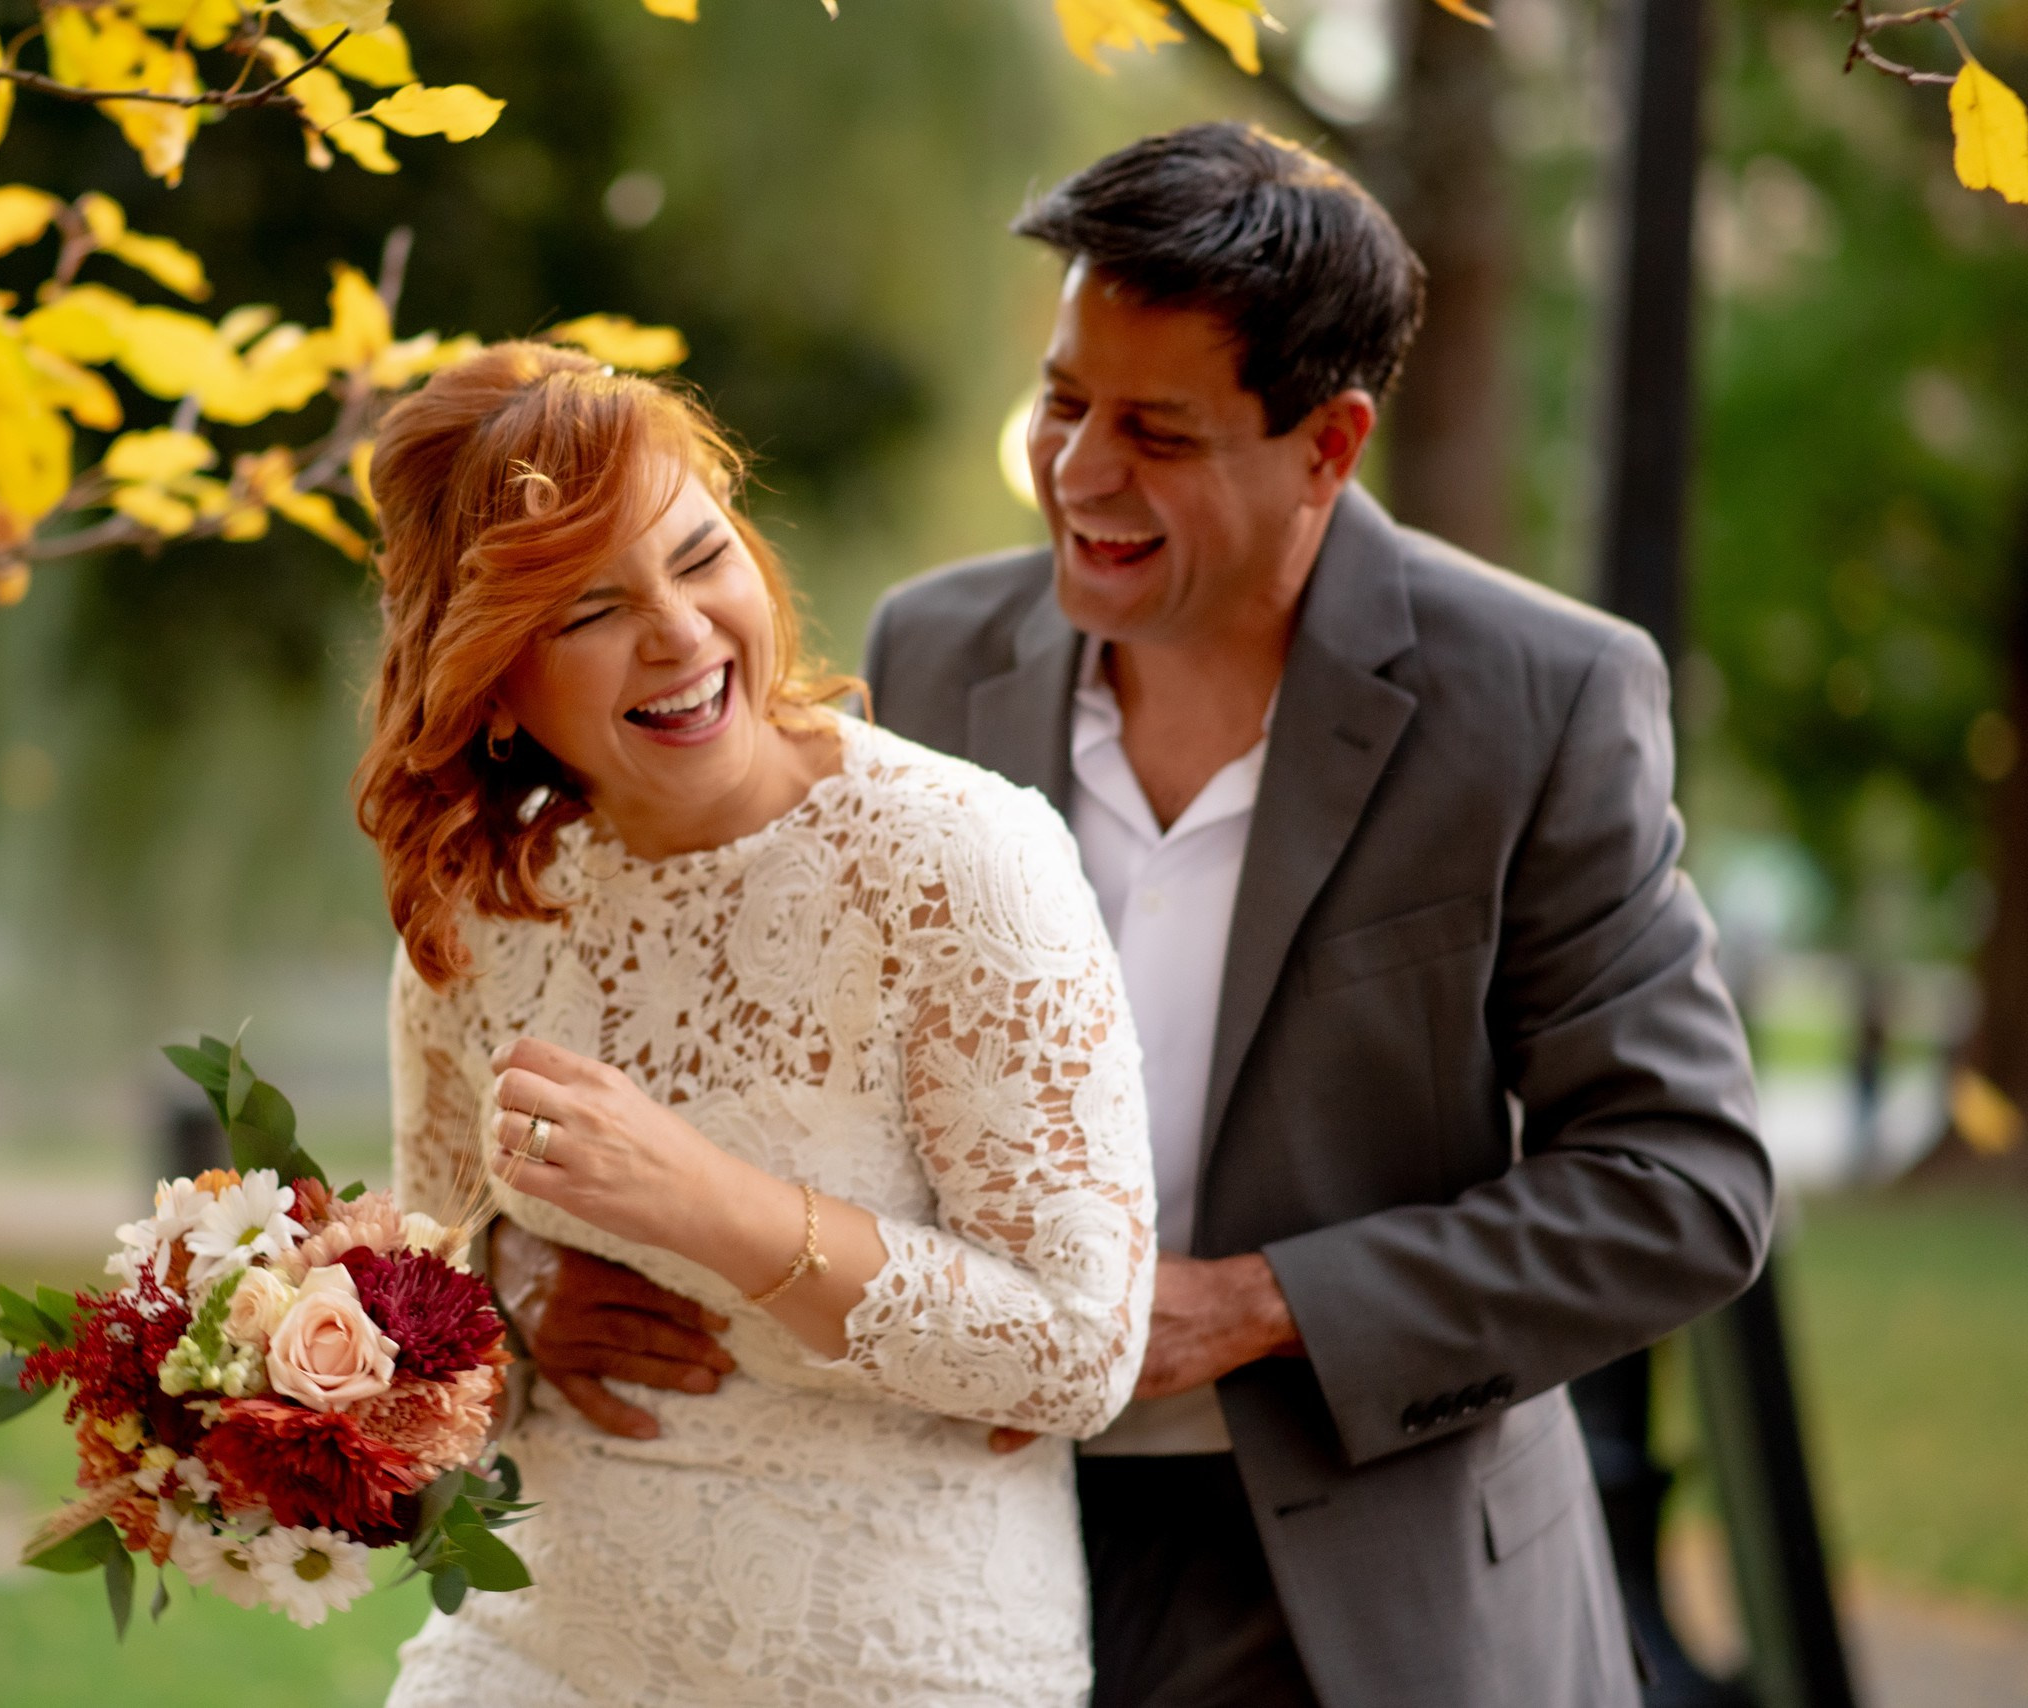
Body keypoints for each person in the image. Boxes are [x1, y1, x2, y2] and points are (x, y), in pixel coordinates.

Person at [506, 124, 1776, 1708]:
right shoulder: (937, 648)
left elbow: (1681, 1191)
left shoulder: (1542, 697)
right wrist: (556, 1290)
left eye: (1158, 433)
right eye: (1062, 401)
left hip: (1368, 1580)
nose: (1079, 470)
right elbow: (756, 1026)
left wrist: (1245, 1311)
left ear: (1330, 445)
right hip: (956, 1542)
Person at [356, 341, 1160, 1706]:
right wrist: (523, 1308)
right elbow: (453, 1298)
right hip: (539, 1646)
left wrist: (705, 1202)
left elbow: (1083, 1351)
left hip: (896, 1655)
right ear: (495, 682)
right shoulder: (481, 910)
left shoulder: (961, 859)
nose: (679, 631)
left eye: (699, 553)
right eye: (591, 608)